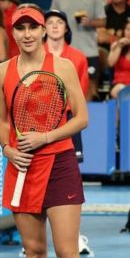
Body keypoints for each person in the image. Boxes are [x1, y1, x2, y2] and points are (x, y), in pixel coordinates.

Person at [0, 4, 88, 258]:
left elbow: (81, 117)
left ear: (44, 30)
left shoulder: (63, 67)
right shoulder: (2, 72)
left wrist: (47, 136)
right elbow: (3, 121)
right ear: (13, 33)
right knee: (33, 252)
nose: (27, 34)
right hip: (22, 166)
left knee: (68, 254)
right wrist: (7, 150)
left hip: (60, 162)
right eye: (20, 28)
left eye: (33, 27)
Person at [44, 9, 88, 162]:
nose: (55, 26)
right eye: (50, 23)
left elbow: (81, 90)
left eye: (59, 22)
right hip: (41, 115)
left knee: (71, 163)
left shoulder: (79, 57)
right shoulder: (35, 55)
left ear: (66, 28)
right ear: (44, 28)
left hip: (69, 117)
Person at [51, 0, 105, 101]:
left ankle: (87, 117)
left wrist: (90, 22)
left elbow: (103, 21)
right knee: (62, 86)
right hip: (64, 51)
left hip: (88, 51)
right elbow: (52, 19)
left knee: (90, 87)